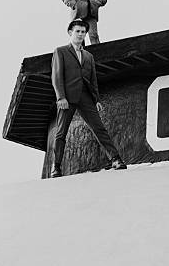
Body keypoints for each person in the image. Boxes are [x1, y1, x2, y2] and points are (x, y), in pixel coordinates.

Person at [50, 18, 127, 177]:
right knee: (61, 133)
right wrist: (60, 98)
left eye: (83, 32)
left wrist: (97, 99)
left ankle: (116, 159)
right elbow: (56, 76)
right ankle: (56, 167)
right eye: (77, 31)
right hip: (67, 98)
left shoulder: (89, 56)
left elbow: (93, 80)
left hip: (85, 97)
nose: (80, 34)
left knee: (99, 128)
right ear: (70, 33)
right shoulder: (61, 51)